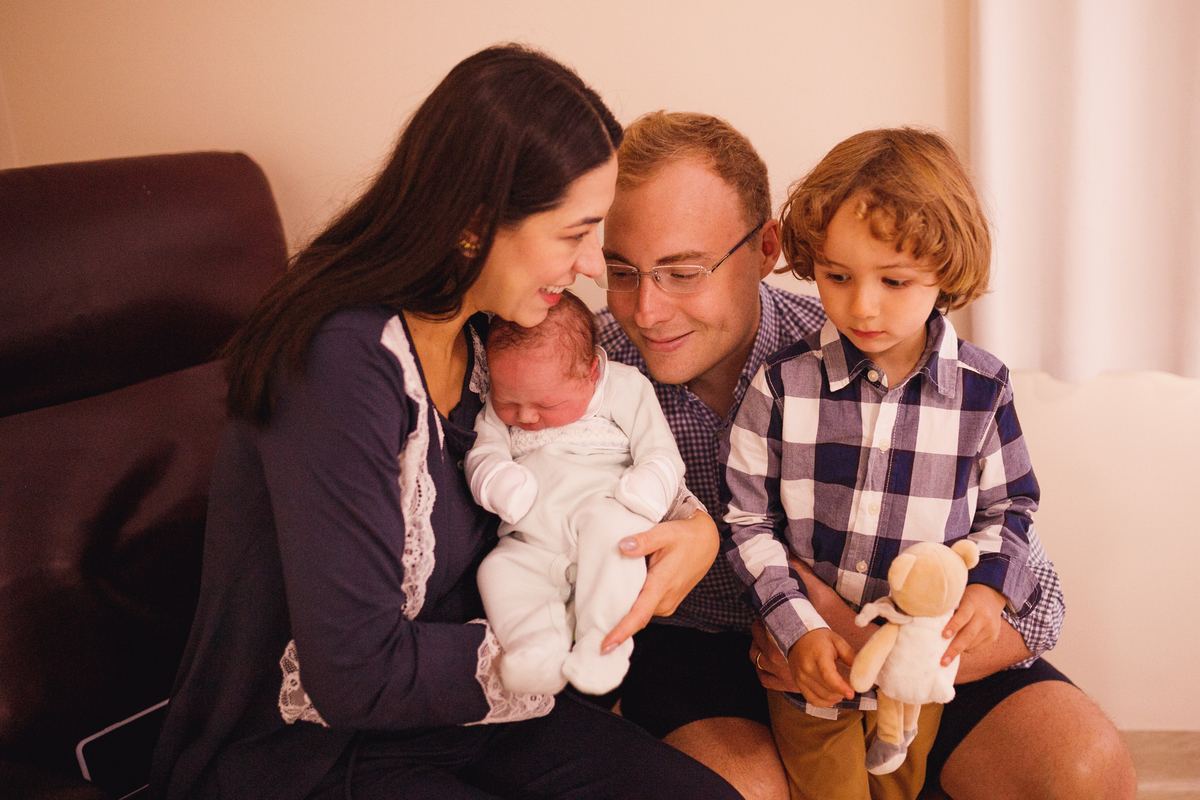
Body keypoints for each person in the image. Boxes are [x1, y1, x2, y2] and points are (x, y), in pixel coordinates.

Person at [148, 47, 741, 800]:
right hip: (314, 753)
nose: (594, 265)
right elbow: (354, 675)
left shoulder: (493, 337)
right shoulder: (341, 365)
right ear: (473, 224)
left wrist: (694, 529)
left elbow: (588, 448)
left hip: (459, 721)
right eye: (575, 233)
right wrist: (564, 637)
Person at [596, 111, 1136, 800]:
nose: (645, 310)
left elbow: (1037, 601)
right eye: (621, 271)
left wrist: (872, 653)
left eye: (684, 272)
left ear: (766, 249)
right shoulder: (580, 372)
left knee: (1085, 769)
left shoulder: (882, 355)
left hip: (901, 639)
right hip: (702, 650)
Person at [721, 127, 1041, 799]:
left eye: (894, 281)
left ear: (944, 271)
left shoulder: (983, 392)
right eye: (837, 276)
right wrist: (797, 628)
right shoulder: (782, 385)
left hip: (917, 670)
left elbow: (1011, 507)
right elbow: (746, 522)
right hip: (810, 667)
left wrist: (990, 590)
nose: (862, 305)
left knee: (902, 786)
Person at [467, 289, 688, 697]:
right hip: (531, 536)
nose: (525, 416)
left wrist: (647, 489)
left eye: (545, 404)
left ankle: (603, 644)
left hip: (603, 511)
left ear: (591, 372)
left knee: (619, 546)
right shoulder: (496, 408)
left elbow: (660, 452)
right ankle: (537, 647)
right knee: (497, 571)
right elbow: (483, 452)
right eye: (509, 401)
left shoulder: (625, 387)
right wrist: (497, 479)